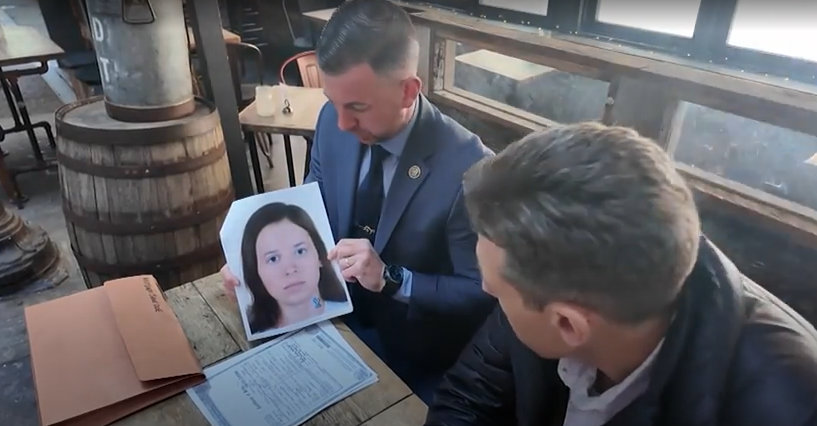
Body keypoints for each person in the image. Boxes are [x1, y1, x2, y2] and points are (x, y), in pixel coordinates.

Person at [425, 122, 817, 426]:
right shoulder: (552, 276)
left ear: (568, 323)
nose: (484, 290)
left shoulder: (787, 409)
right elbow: (467, 396)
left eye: (495, 291)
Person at [220, 0, 497, 402]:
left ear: (408, 90)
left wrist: (392, 277)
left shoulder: (469, 168)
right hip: (330, 323)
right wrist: (252, 267)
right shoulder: (333, 123)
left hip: (413, 358)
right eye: (334, 102)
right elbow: (310, 211)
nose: (343, 124)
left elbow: (482, 292)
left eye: (358, 108)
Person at [241, 202, 348, 334]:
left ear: (320, 257)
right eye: (273, 259)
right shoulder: (254, 334)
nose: (290, 269)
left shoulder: (352, 321)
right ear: (256, 272)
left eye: (300, 251)